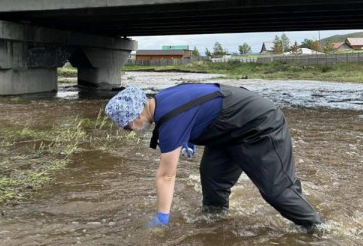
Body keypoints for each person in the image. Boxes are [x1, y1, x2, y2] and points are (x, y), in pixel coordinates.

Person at [105, 83, 323, 231]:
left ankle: (318, 228)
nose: (130, 130)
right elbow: (198, 105)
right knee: (211, 176)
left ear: (134, 115)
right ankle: (216, 221)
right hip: (228, 132)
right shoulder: (161, 100)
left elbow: (166, 177)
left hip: (260, 125)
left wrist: (162, 217)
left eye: (126, 127)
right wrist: (188, 135)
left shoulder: (170, 123)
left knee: (276, 191)